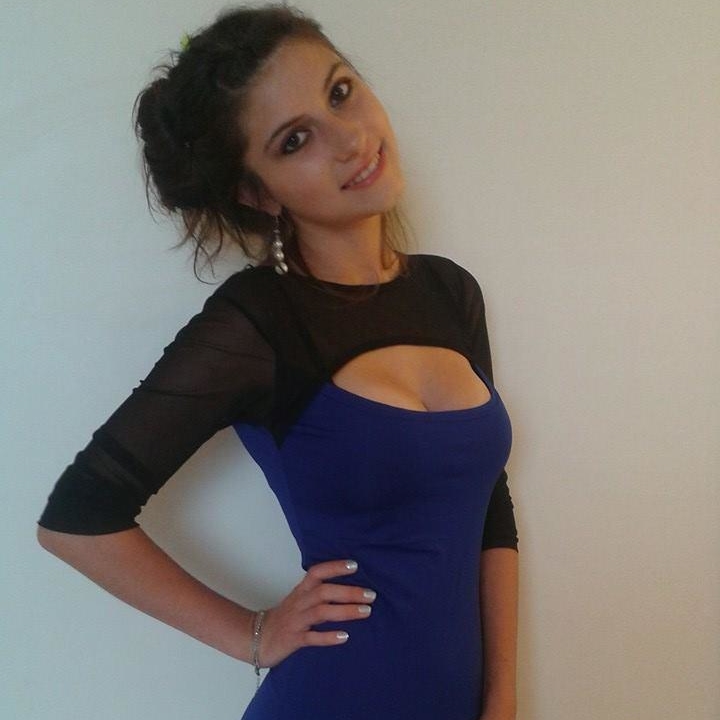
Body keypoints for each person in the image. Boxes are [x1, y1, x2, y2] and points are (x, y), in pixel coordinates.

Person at [37, 5, 519, 719]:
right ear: (257, 191)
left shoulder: (451, 292)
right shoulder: (259, 323)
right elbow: (76, 518)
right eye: (295, 140)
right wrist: (252, 634)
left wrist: (503, 694)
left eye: (340, 93)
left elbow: (488, 507)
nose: (350, 139)